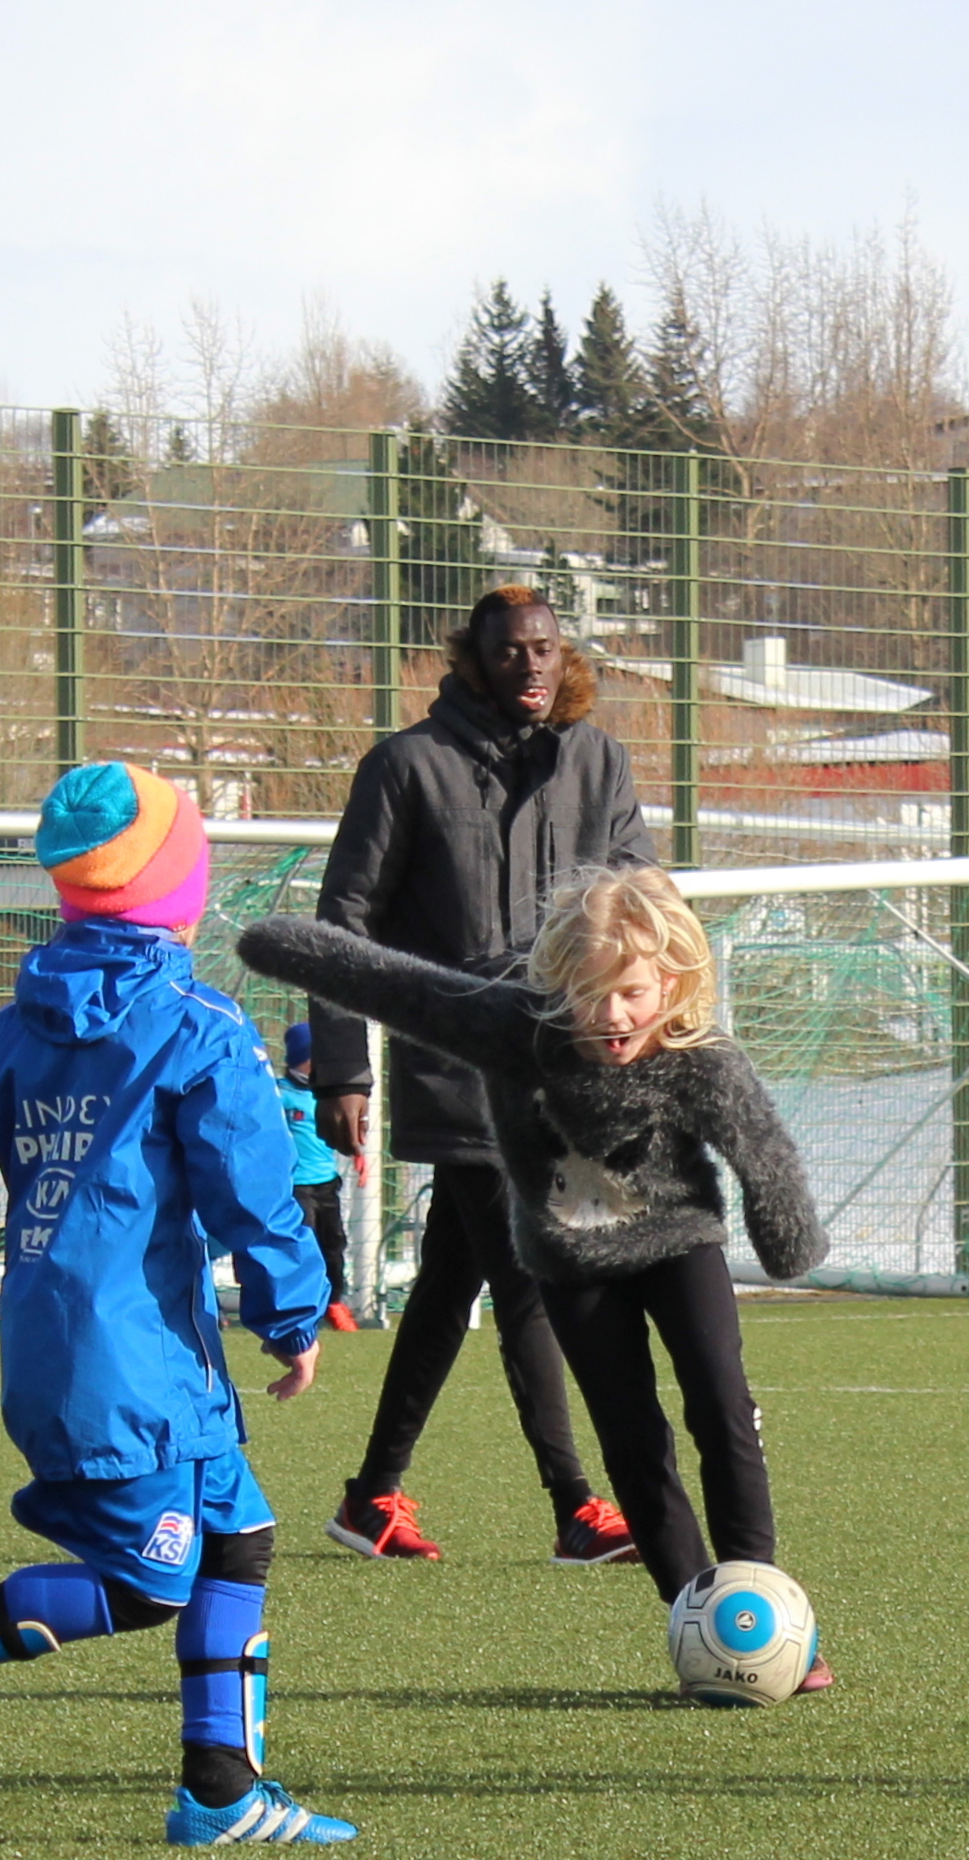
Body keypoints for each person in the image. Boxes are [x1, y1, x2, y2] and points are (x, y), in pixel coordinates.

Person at [0, 761, 356, 1847]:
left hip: (107, 1353)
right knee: (145, 1587)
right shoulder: (198, 1026)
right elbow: (250, 1188)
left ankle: (222, 1795)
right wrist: (292, 1313)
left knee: (238, 1539)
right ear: (180, 890)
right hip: (128, 1367)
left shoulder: (11, 1033)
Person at [241, 866, 835, 1692]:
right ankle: (700, 1622)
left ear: (670, 983)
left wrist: (787, 1239)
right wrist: (284, 945)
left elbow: (762, 1151)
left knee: (722, 1403)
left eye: (632, 993)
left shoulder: (699, 1057)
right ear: (559, 988)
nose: (614, 1015)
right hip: (570, 1260)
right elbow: (398, 987)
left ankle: (762, 1611)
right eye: (591, 996)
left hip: (678, 1242)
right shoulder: (512, 1030)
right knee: (632, 1438)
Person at [308, 583, 650, 1567]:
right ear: (474, 659)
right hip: (457, 1064)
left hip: (564, 1069)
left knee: (451, 1280)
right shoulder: (406, 766)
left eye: (544, 648)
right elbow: (342, 922)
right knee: (531, 1277)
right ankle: (577, 1506)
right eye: (509, 652)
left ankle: (370, 1497)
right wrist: (342, 1068)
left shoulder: (597, 761)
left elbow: (637, 902)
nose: (530, 666)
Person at [278, 1021, 360, 1333]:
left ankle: (334, 1301)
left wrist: (358, 1153)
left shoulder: (326, 1094)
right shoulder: (280, 1094)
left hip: (326, 1180)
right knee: (304, 1242)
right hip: (295, 1184)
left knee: (334, 1242)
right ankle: (302, 1306)